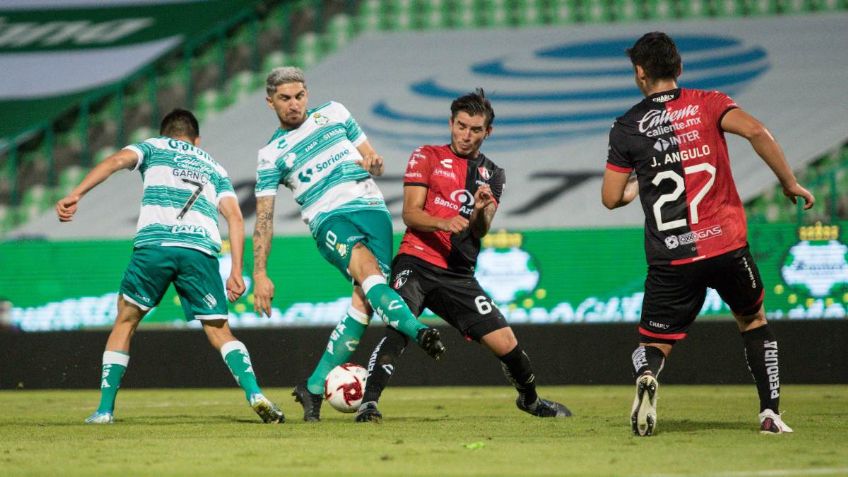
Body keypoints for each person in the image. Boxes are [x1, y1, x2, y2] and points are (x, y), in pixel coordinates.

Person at [601, 32, 815, 436]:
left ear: (639, 73)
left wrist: (639, 183)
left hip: (672, 258)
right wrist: (788, 182)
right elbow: (756, 131)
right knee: (753, 321)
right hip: (726, 246)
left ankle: (647, 373)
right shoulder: (710, 103)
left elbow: (611, 198)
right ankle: (770, 414)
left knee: (654, 342)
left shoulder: (627, 126)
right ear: (679, 69)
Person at [354, 89, 572, 423]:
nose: (465, 135)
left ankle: (530, 400)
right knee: (400, 326)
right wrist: (444, 221)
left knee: (507, 343)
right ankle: (369, 404)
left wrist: (482, 211)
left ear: (488, 132)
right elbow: (411, 215)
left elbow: (481, 231)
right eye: (460, 126)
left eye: (474, 129)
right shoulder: (425, 156)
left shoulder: (493, 174)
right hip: (416, 261)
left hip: (458, 274)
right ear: (451, 122)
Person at [56, 109, 284, 424]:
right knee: (219, 330)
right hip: (200, 250)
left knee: (125, 322)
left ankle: (105, 410)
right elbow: (233, 216)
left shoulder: (152, 147)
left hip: (156, 246)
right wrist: (235, 270)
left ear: (166, 134)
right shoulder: (213, 166)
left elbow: (113, 162)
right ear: (197, 139)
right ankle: (255, 393)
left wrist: (76, 193)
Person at [253, 66, 446, 422]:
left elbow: (369, 156)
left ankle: (312, 388)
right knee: (368, 270)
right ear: (270, 102)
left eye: (299, 96)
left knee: (365, 301)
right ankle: (419, 331)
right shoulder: (271, 155)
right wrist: (260, 272)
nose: (293, 105)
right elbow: (263, 219)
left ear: (306, 94)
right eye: (284, 99)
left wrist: (373, 161)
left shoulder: (336, 112)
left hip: (373, 210)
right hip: (329, 218)